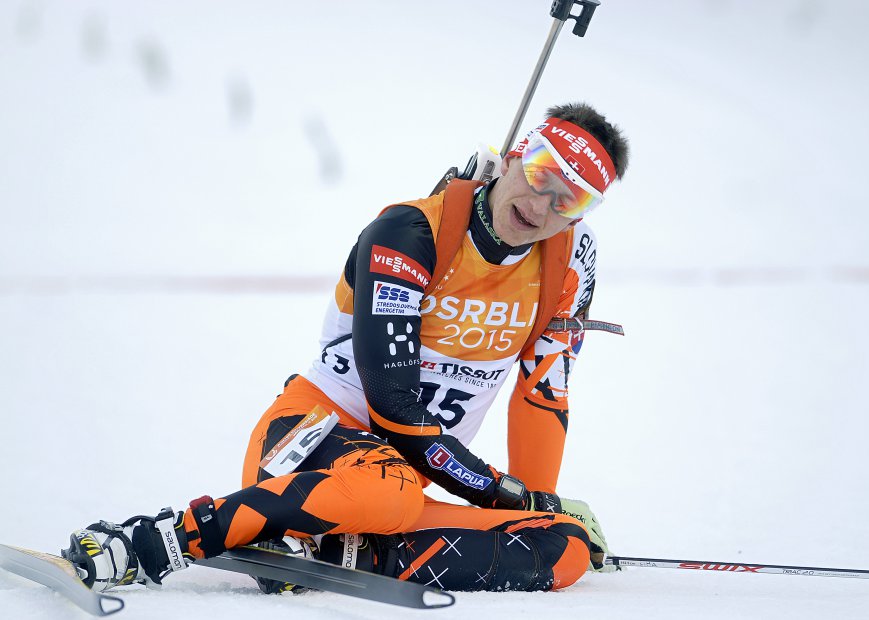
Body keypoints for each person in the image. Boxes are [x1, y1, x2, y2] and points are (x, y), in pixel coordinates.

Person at [65, 102, 630, 594]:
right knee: (395, 490)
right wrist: (504, 494)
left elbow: (542, 394)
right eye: (541, 175)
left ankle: (332, 552)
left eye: (570, 199)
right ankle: (158, 539)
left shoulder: (568, 263)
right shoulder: (410, 232)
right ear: (513, 156)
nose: (542, 206)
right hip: (306, 443)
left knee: (564, 547)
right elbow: (393, 408)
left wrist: (536, 505)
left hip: (393, 488)